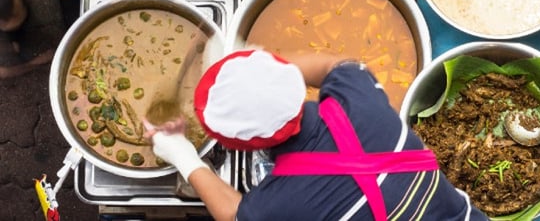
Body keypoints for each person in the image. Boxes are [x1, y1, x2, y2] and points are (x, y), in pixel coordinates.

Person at [147, 49, 488, 221]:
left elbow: (234, 215)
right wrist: (266, 74)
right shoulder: (357, 94)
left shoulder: (277, 204)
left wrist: (182, 155)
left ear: (245, 147)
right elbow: (333, 65)